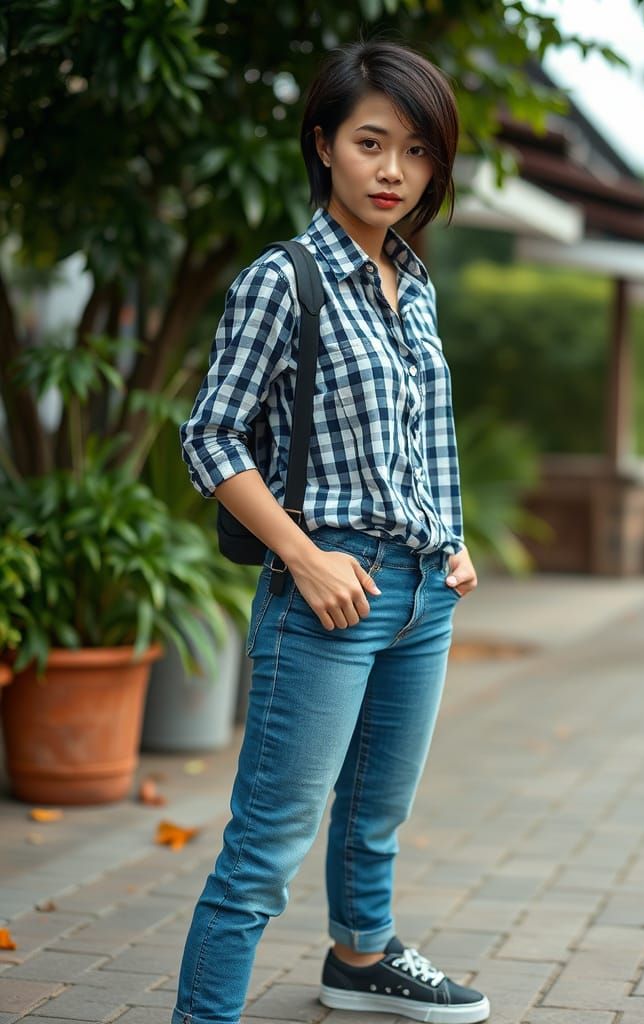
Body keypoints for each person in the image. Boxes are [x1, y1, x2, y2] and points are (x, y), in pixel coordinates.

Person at [173, 39, 488, 1024]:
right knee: (269, 841)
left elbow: (426, 430)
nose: (394, 170)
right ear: (324, 146)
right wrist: (304, 558)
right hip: (326, 594)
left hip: (422, 592)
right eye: (370, 143)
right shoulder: (286, 279)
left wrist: (454, 538)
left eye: (417, 152)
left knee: (375, 816)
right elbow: (211, 436)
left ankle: (360, 959)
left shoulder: (414, 282)